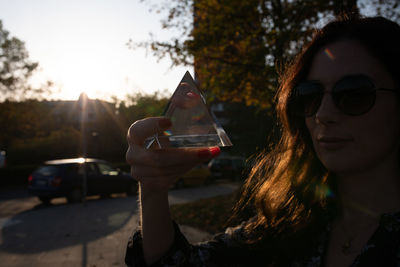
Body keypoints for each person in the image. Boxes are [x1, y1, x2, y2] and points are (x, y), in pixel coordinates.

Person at [125, 14, 400, 266]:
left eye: (354, 93)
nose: (323, 114)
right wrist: (153, 190)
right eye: (310, 95)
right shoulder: (289, 226)